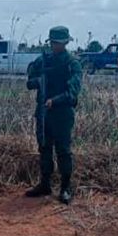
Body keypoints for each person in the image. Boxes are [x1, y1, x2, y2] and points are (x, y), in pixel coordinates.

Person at [25, 26, 83, 204]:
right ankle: (45, 184)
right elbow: (29, 81)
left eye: (58, 43)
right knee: (44, 148)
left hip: (62, 113)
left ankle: (65, 187)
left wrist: (55, 101)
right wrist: (39, 81)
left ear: (66, 42)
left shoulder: (72, 63)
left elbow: (73, 91)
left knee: (63, 151)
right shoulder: (42, 61)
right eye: (53, 43)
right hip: (43, 112)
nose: (55, 46)